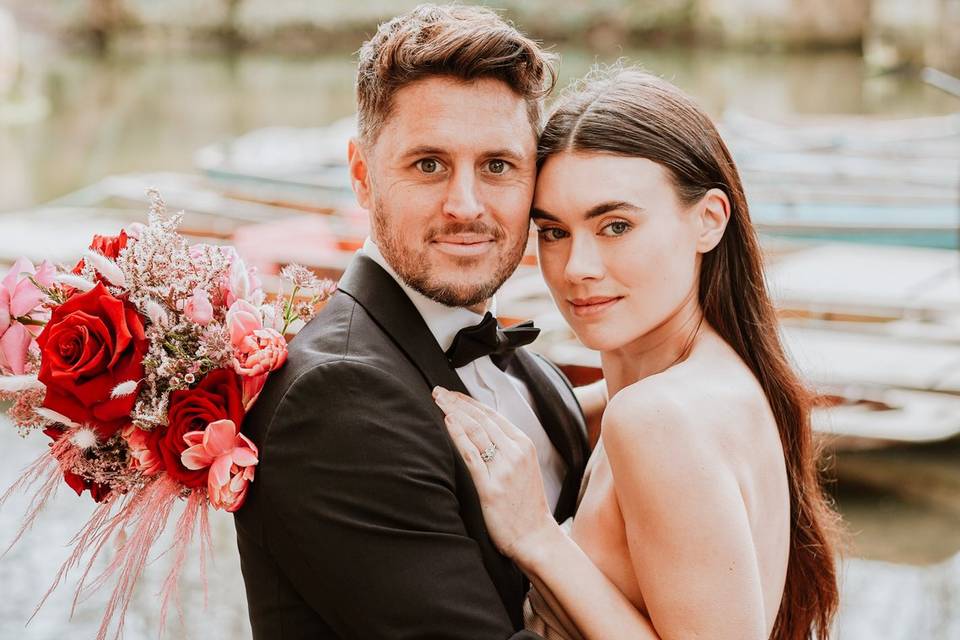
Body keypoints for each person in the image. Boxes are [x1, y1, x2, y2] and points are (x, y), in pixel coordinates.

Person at [435, 68, 842, 640]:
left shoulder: (656, 418)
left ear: (708, 221)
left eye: (616, 225)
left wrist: (537, 538)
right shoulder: (703, 382)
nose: (578, 268)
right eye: (553, 232)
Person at [234, 5, 598, 639]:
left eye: (498, 166)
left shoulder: (534, 376)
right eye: (428, 164)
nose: (465, 205)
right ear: (362, 177)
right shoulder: (335, 400)